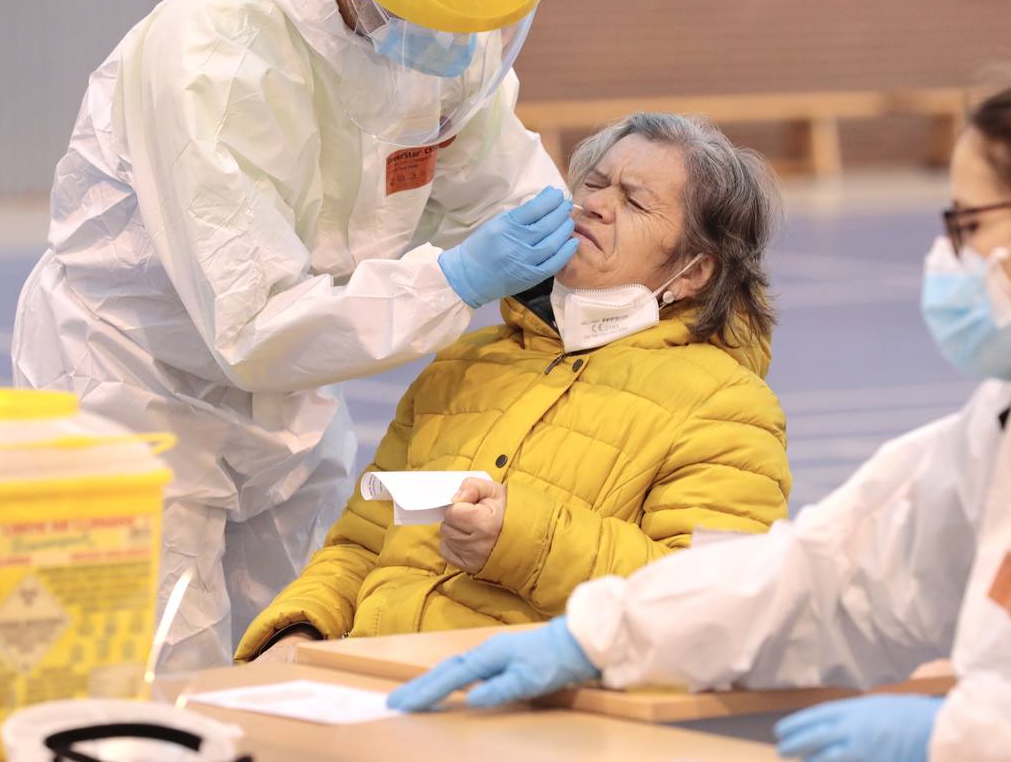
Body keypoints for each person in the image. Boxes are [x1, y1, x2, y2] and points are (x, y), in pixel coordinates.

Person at [389, 59, 1011, 761]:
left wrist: (962, 736)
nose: (946, 254)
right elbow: (826, 576)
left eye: (967, 224)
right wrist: (600, 635)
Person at [11, 0, 576, 670]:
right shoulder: (217, 59)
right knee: (155, 677)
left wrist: (572, 283)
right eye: (436, 22)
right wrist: (449, 282)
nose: (458, 49)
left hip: (292, 406)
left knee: (299, 651)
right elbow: (256, 323)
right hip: (137, 386)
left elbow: (492, 170)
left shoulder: (444, 18)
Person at [235, 113, 793, 663]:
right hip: (371, 687)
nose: (595, 204)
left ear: (694, 271)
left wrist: (523, 539)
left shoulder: (728, 408)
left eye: (635, 201)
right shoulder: (465, 364)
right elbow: (361, 544)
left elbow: (705, 601)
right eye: (593, 184)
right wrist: (300, 632)